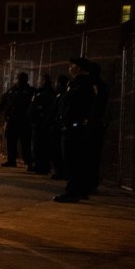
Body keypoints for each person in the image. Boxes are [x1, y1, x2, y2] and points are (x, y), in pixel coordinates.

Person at [54, 57, 96, 203]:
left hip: (74, 127)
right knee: (74, 160)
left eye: (72, 65)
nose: (69, 68)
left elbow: (75, 106)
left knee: (72, 160)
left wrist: (68, 119)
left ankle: (72, 192)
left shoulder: (83, 84)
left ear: (78, 68)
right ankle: (79, 190)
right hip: (71, 126)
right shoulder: (75, 84)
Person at [0, 72, 34, 168]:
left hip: (24, 121)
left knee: (25, 142)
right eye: (18, 78)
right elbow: (4, 100)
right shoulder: (12, 90)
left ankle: (28, 161)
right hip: (12, 120)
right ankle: (11, 160)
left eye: (20, 79)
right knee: (11, 141)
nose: (18, 81)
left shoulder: (30, 91)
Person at [86, 61, 109, 195]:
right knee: (93, 155)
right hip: (96, 124)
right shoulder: (101, 86)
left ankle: (90, 182)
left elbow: (96, 106)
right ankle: (91, 181)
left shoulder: (95, 86)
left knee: (90, 154)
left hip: (94, 124)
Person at [27, 73, 55, 175]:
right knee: (35, 145)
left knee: (41, 145)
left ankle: (43, 167)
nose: (37, 82)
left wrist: (40, 114)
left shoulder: (48, 93)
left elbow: (47, 108)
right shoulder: (38, 92)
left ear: (44, 81)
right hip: (35, 123)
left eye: (39, 80)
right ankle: (37, 164)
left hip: (42, 123)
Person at [49, 75, 71, 180]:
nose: (56, 85)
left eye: (57, 83)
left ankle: (61, 171)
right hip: (56, 125)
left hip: (60, 126)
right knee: (55, 149)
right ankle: (58, 170)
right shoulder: (57, 96)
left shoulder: (64, 96)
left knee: (59, 150)